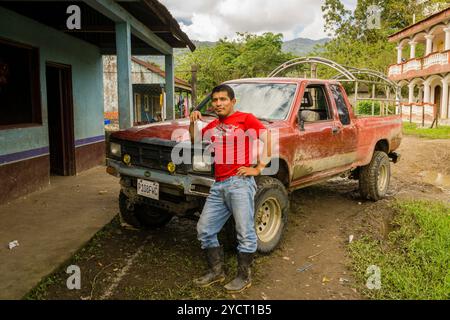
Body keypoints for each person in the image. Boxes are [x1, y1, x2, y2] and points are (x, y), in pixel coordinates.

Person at [189, 84, 271, 293]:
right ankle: (217, 272)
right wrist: (193, 122)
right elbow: (195, 140)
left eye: (223, 99)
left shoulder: (245, 119)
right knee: (205, 230)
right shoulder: (213, 125)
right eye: (215, 100)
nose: (218, 103)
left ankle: (244, 276)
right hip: (219, 185)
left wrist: (258, 168)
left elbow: (267, 137)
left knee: (244, 233)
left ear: (233, 101)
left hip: (240, 183)